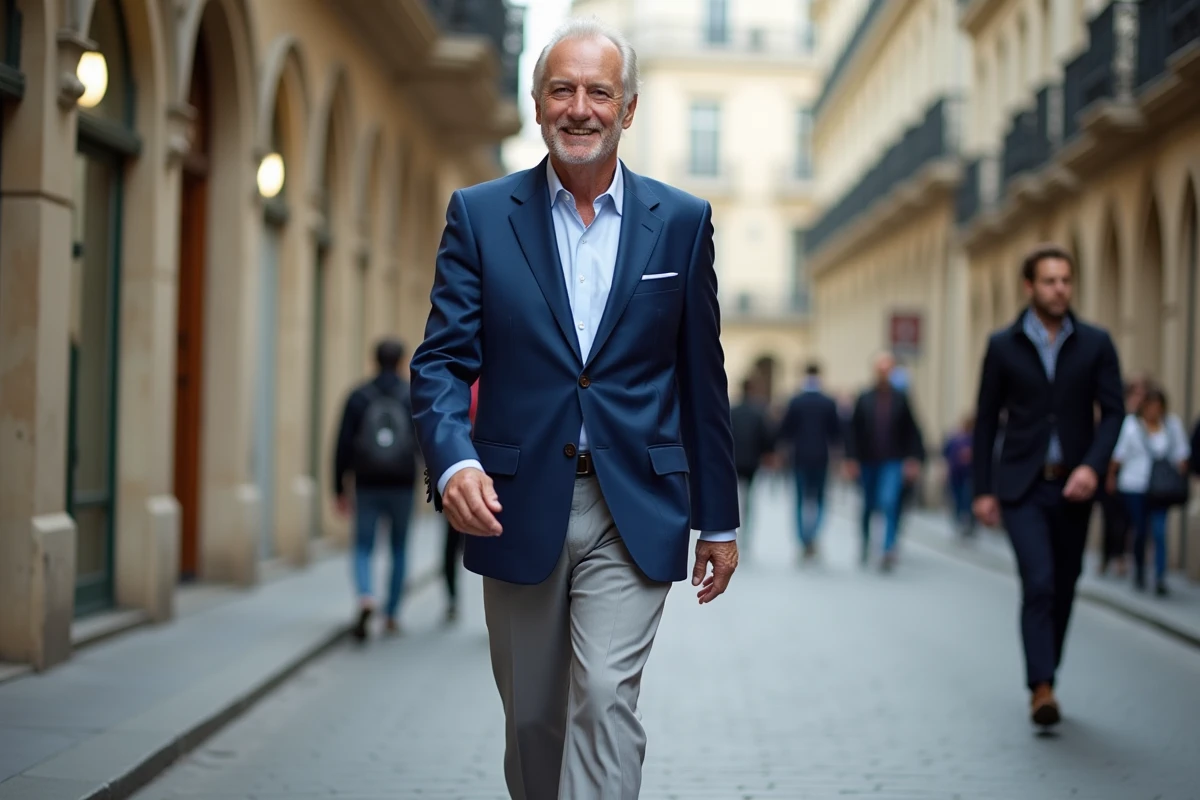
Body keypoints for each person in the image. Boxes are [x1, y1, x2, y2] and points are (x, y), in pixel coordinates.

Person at [409, 18, 740, 799]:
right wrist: (454, 458)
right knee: (532, 720)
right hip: (514, 502)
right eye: (562, 89)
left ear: (627, 110)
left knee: (602, 702)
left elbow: (702, 377)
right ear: (537, 105)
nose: (580, 108)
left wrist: (718, 519)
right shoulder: (481, 216)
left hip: (635, 501)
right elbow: (443, 360)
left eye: (599, 92)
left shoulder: (682, 224)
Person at [972, 243, 1123, 728]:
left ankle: (1046, 673)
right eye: (1051, 280)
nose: (1060, 289)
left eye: (1066, 280)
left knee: (1064, 583)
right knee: (1037, 582)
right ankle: (1042, 686)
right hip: (1022, 486)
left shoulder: (1096, 343)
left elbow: (1115, 411)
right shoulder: (1003, 345)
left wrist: (1093, 467)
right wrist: (982, 490)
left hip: (1075, 486)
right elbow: (985, 423)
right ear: (1029, 287)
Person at [333, 338, 418, 641]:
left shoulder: (358, 397)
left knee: (363, 546)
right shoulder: (411, 396)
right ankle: (392, 613)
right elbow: (424, 441)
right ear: (400, 361)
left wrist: (339, 487)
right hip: (402, 483)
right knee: (399, 548)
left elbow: (342, 445)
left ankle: (366, 595)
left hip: (367, 483)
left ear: (374, 360)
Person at [843, 352, 925, 571]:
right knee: (869, 505)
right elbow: (853, 431)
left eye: (888, 369)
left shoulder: (901, 398)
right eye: (881, 369)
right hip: (868, 460)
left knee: (889, 502)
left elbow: (913, 430)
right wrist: (850, 459)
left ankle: (888, 548)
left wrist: (914, 459)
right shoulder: (865, 398)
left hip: (893, 460)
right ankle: (866, 543)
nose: (884, 373)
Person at [1108, 386, 1191, 596]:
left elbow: (1182, 454)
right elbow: (1119, 454)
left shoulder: (1171, 426)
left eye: (1157, 406)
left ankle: (1160, 577)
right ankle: (1140, 571)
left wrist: (1180, 469)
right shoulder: (1132, 425)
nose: (1154, 411)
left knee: (1160, 531)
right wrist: (1110, 477)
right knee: (1141, 530)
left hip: (1161, 488)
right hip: (1135, 485)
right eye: (1150, 406)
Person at [775, 362, 842, 559]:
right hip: (822, 457)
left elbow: (785, 431)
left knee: (800, 500)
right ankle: (813, 535)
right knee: (820, 500)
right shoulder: (828, 402)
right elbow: (836, 433)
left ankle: (803, 539)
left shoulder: (796, 401)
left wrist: (780, 454)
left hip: (799, 457)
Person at [1097, 378, 1147, 577]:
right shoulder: (1116, 415)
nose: (1139, 399)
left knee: (1125, 521)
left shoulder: (1143, 420)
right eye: (1136, 394)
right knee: (1110, 519)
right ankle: (1107, 557)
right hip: (1111, 472)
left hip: (1131, 478)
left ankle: (1120, 557)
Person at [442, 379, 479, 623]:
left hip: (465, 467)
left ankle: (452, 600)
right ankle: (453, 599)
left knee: (451, 543)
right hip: (466, 470)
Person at [730, 377, 774, 548]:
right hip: (752, 461)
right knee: (749, 497)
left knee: (734, 497)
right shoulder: (759, 412)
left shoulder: (732, 411)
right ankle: (746, 529)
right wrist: (767, 454)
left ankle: (733, 528)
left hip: (734, 460)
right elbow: (766, 437)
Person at [942, 414, 975, 537]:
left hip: (969, 475)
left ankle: (967, 523)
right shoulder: (955, 438)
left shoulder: (974, 439)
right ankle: (958, 521)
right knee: (957, 499)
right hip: (955, 474)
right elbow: (945, 454)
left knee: (967, 499)